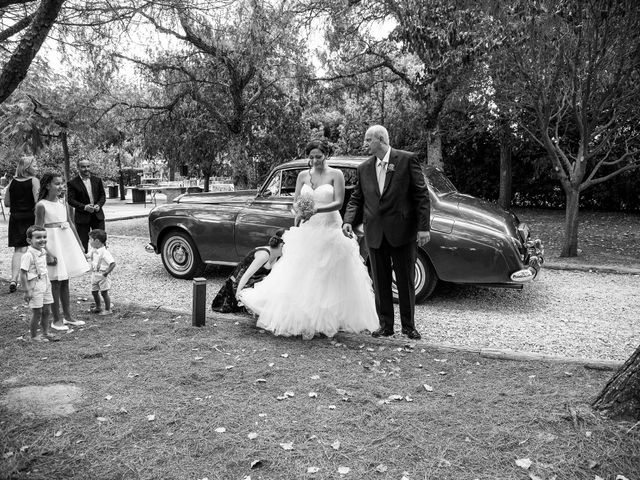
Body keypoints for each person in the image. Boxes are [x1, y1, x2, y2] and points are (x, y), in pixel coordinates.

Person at [239, 140, 378, 340]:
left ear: (326, 155)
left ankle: (333, 318)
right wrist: (300, 211)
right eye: (311, 157)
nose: (314, 160)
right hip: (307, 227)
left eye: (318, 157)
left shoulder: (336, 175)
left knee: (329, 272)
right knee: (303, 272)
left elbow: (338, 202)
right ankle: (304, 316)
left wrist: (315, 209)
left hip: (329, 226)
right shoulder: (302, 175)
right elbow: (295, 201)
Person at [342, 125, 431, 340]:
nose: (365, 144)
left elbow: (421, 195)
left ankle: (409, 327)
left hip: (402, 231)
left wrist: (423, 227)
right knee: (380, 282)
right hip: (375, 233)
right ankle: (386, 326)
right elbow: (357, 198)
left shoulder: (407, 160)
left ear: (381, 140)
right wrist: (348, 220)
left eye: (368, 139)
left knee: (405, 280)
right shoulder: (364, 168)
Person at [35, 172, 90, 331]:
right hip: (52, 244)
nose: (61, 187)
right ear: (47, 185)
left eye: (62, 184)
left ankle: (68, 316)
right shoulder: (41, 205)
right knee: (55, 282)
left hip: (66, 243)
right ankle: (56, 319)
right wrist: (46, 252)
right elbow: (38, 230)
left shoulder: (63, 203)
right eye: (57, 184)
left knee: (65, 281)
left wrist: (79, 245)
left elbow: (71, 223)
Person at [211, 230, 285, 313]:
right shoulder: (264, 255)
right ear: (281, 245)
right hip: (240, 281)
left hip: (256, 280)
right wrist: (238, 292)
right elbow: (247, 274)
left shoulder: (277, 255)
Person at [4, 156, 40, 293]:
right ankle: (30, 280)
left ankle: (14, 279)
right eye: (34, 165)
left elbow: (7, 203)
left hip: (15, 217)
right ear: (27, 167)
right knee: (32, 249)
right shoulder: (34, 181)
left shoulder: (12, 182)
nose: (36, 167)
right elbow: (38, 202)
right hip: (29, 217)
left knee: (18, 250)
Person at [20, 226, 55, 342]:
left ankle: (45, 332)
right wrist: (27, 290)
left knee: (47, 310)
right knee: (37, 311)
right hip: (35, 284)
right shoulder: (28, 255)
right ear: (29, 241)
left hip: (45, 281)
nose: (42, 240)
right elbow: (23, 274)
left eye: (44, 237)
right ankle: (34, 336)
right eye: (38, 237)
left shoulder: (43, 251)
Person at [67, 159, 106, 252]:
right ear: (78, 168)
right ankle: (84, 264)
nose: (86, 169)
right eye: (83, 167)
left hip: (98, 215)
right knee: (83, 241)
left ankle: (102, 262)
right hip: (82, 217)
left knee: (101, 241)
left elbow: (102, 196)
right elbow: (70, 200)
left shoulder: (97, 180)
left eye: (88, 166)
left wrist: (99, 205)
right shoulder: (72, 183)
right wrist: (85, 207)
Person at [86, 229, 116, 315]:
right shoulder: (93, 249)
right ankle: (98, 307)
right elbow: (87, 256)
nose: (89, 241)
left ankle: (108, 309)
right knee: (94, 291)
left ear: (97, 241)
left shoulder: (105, 252)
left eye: (90, 239)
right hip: (94, 274)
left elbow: (113, 263)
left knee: (104, 292)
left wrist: (106, 273)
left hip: (102, 275)